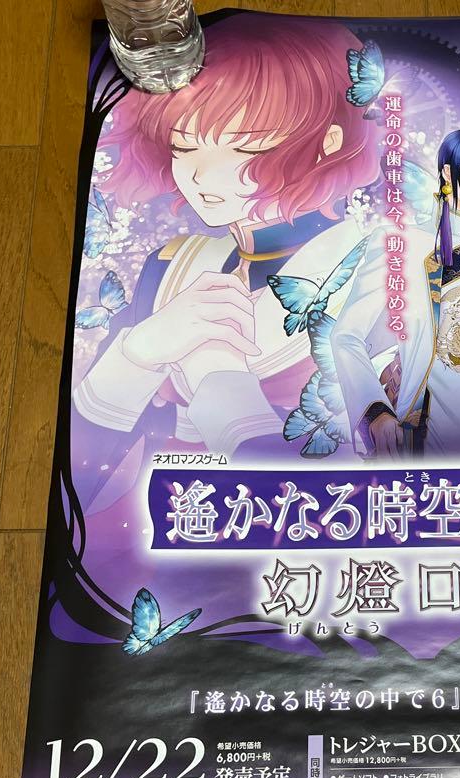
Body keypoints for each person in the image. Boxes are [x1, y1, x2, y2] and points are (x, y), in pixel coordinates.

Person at [71, 14, 380, 507]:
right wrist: (137, 354)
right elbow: (78, 479)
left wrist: (218, 380)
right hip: (159, 519)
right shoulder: (174, 264)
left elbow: (365, 489)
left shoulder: (375, 275)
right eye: (184, 146)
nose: (202, 176)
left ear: (329, 142)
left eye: (245, 147)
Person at [332, 128, 460, 458]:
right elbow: (346, 336)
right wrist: (375, 411)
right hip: (430, 427)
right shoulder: (402, 245)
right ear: (448, 171)